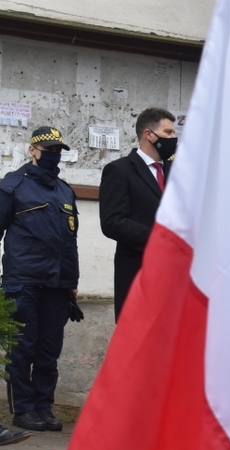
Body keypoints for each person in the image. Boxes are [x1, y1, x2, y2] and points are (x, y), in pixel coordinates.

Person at [0, 126, 80, 432]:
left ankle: (44, 407)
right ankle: (23, 410)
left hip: (57, 285)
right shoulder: (13, 186)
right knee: (23, 348)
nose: (54, 156)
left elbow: (70, 241)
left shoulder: (64, 191)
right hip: (24, 281)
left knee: (49, 350)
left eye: (58, 152)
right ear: (33, 150)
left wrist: (71, 282)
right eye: (49, 151)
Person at [99, 108, 177, 320]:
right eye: (168, 132)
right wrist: (157, 239)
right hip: (139, 274)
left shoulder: (178, 172)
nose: (173, 138)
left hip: (175, 278)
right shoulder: (120, 171)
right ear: (148, 134)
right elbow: (112, 221)